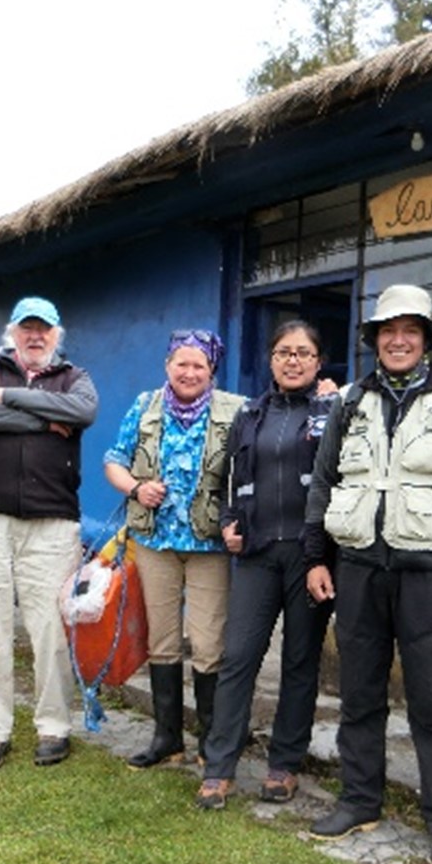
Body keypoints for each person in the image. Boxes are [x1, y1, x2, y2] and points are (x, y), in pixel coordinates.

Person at [302, 284, 432, 864]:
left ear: (427, 338)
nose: (398, 339)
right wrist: (316, 557)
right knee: (358, 695)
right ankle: (360, 801)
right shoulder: (350, 403)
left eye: (410, 329)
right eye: (388, 330)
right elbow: (323, 482)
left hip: (431, 574)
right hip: (358, 569)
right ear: (374, 340)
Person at [0, 296, 98, 772]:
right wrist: (40, 421)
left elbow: (82, 412)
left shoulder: (75, 378)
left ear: (58, 335)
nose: (35, 337)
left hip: (53, 523)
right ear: (13, 332)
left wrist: (7, 398)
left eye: (44, 329)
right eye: (27, 328)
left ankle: (53, 727)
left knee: (52, 630)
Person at [195, 321, 338, 810]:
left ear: (319, 362)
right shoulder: (250, 414)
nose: (292, 360)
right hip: (256, 555)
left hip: (309, 555)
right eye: (283, 352)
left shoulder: (333, 412)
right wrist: (232, 522)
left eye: (303, 352)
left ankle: (284, 765)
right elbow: (236, 478)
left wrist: (332, 404)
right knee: (238, 658)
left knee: (300, 661)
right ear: (272, 360)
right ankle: (219, 767)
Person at [104, 329, 244, 769]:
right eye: (180, 364)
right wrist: (136, 487)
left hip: (208, 545)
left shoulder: (237, 410)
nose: (189, 372)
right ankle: (167, 738)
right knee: (162, 641)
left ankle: (210, 742)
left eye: (198, 365)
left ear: (212, 371)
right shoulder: (146, 406)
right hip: (154, 542)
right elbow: (114, 457)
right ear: (167, 366)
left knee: (207, 643)